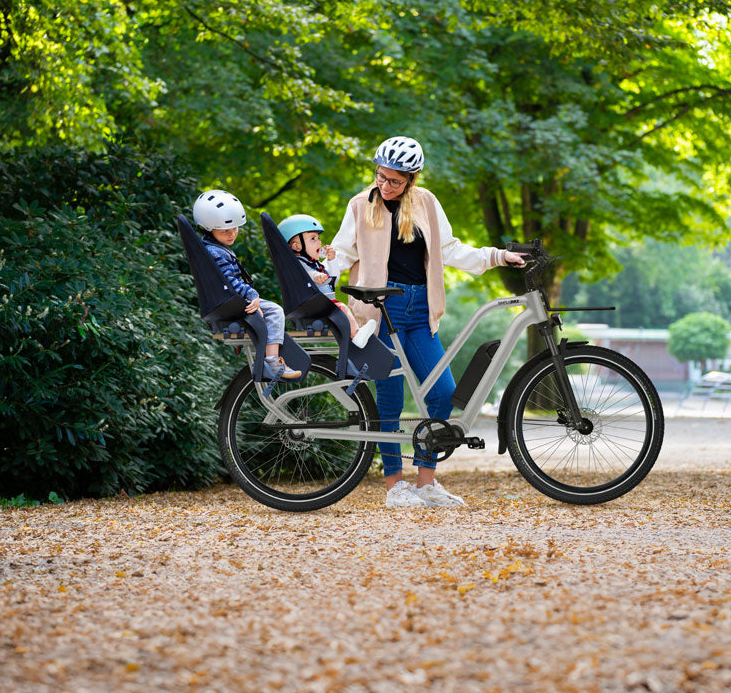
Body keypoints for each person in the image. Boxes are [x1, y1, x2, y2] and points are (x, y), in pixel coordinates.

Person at [327, 135, 526, 509]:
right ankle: (393, 488)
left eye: (394, 181)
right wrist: (319, 270)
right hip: (379, 309)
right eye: (381, 177)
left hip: (419, 309)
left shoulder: (427, 204)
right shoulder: (360, 205)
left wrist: (498, 256)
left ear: (412, 179)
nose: (384, 186)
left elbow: (451, 250)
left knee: (440, 393)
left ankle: (426, 483)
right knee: (389, 398)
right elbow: (341, 253)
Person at [194, 189, 300, 382]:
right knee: (275, 311)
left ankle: (270, 357)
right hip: (232, 301)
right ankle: (272, 361)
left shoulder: (214, 248)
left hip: (230, 300)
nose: (232, 233)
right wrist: (252, 295)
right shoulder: (216, 253)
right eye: (226, 230)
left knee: (271, 312)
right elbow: (230, 282)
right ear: (208, 228)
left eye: (235, 228)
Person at [278, 214, 378, 348]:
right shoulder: (297, 264)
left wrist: (332, 260)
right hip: (310, 304)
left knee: (342, 308)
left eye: (318, 238)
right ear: (296, 247)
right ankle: (356, 334)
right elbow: (302, 276)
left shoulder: (314, 264)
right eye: (313, 239)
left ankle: (356, 333)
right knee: (342, 308)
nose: (319, 242)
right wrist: (315, 276)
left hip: (320, 301)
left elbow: (331, 280)